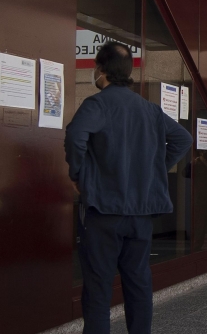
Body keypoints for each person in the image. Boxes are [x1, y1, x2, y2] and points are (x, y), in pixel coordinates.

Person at [65, 42, 193, 334]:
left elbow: (75, 136)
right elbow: (183, 139)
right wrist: (156, 167)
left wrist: (78, 173)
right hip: (141, 214)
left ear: (100, 70)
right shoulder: (149, 109)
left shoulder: (97, 104)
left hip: (104, 210)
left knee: (98, 286)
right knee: (138, 282)